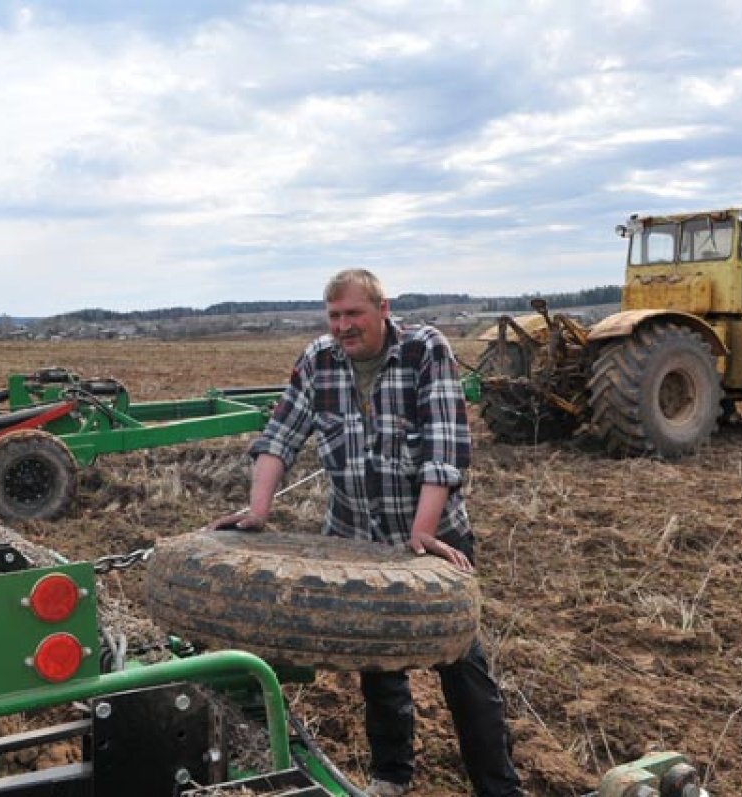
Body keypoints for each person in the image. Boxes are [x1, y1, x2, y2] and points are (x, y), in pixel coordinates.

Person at [208, 268, 523, 797]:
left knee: (462, 668)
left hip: (433, 541)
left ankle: (499, 789)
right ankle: (392, 778)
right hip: (356, 540)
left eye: (353, 313)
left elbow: (444, 451)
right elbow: (279, 436)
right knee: (377, 668)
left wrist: (422, 534)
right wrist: (257, 511)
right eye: (334, 316)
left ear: (383, 308)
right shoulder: (318, 360)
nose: (343, 326)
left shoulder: (426, 351)